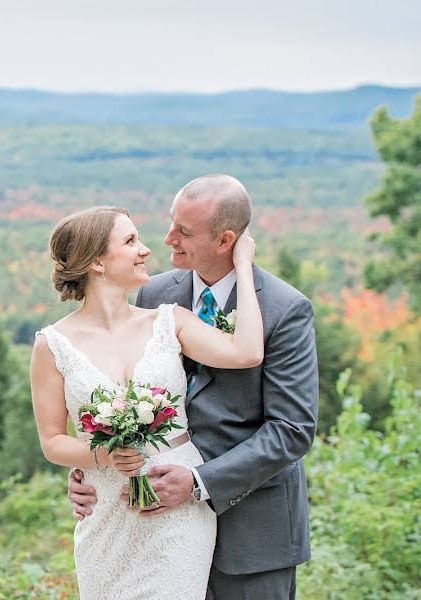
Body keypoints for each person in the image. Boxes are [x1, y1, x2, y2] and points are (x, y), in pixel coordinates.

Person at [67, 174, 318, 599]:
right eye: (170, 224)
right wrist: (92, 466)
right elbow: (122, 395)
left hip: (252, 536)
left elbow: (291, 430)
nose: (167, 240)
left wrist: (199, 481)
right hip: (157, 533)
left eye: (183, 232)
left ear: (225, 240)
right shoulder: (153, 293)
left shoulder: (284, 309)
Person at [31, 196, 264, 599]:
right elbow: (53, 441)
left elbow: (246, 353)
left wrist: (243, 266)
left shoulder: (169, 321)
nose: (145, 249)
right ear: (98, 263)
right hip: (105, 510)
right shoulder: (52, 345)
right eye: (130, 241)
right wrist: (102, 456)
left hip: (176, 506)